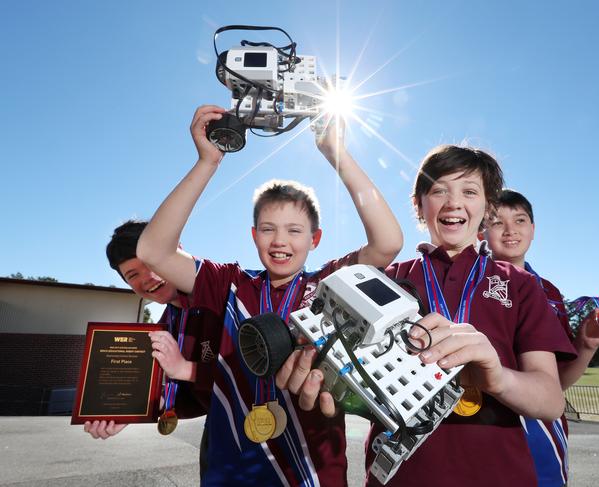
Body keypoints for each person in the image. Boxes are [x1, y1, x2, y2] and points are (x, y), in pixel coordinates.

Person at [136, 105, 403, 486]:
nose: (280, 241)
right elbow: (153, 252)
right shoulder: (228, 282)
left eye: (295, 231)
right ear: (253, 235)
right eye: (268, 229)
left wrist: (336, 152)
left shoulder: (331, 283)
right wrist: (207, 163)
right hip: (232, 472)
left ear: (315, 240)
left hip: (312, 473)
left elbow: (389, 242)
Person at [350, 145, 576, 486]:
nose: (454, 202)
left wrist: (497, 378)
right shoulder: (386, 280)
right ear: (419, 204)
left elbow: (549, 400)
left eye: (469, 191)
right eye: (439, 190)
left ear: (487, 208)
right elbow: (355, 389)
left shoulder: (520, 284)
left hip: (500, 474)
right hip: (402, 475)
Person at [483, 188, 599, 486]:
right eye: (498, 222)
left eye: (521, 220)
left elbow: (556, 384)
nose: (511, 230)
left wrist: (586, 344)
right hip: (483, 424)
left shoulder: (547, 292)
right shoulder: (464, 283)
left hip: (542, 433)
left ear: (533, 229)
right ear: (480, 231)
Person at [84, 220, 220, 479]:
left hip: (278, 433)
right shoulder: (163, 326)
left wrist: (188, 369)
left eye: (150, 263)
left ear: (175, 250)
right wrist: (128, 410)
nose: (147, 278)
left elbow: (253, 375)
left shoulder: (227, 294)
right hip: (218, 435)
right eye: (132, 275)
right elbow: (183, 394)